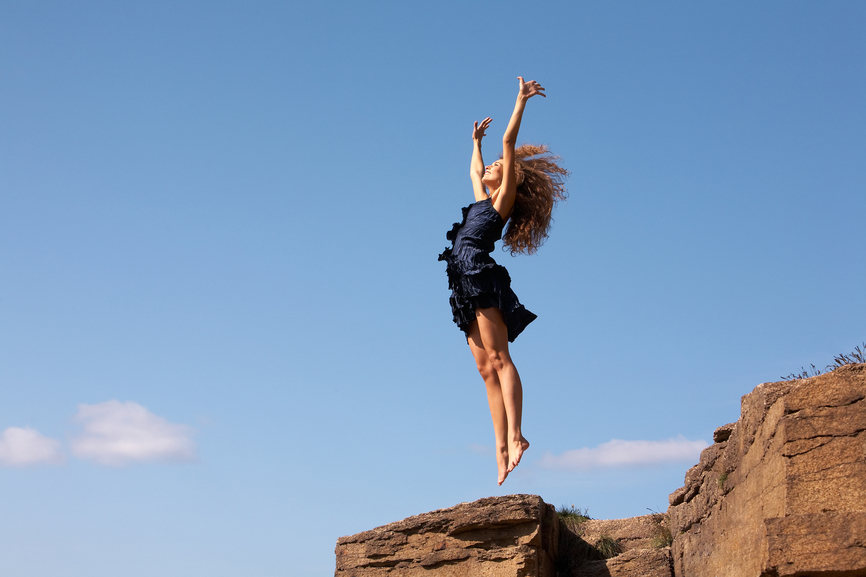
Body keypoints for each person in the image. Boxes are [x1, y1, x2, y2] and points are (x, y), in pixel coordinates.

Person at [439, 77, 568, 485]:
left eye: (498, 166)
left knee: (500, 359)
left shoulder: (502, 200)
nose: (492, 167)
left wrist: (520, 101)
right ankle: (498, 449)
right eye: (491, 166)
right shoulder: (481, 199)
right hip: (461, 283)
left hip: (480, 275)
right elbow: (476, 169)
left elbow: (509, 146)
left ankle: (517, 435)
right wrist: (476, 143)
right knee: (483, 370)